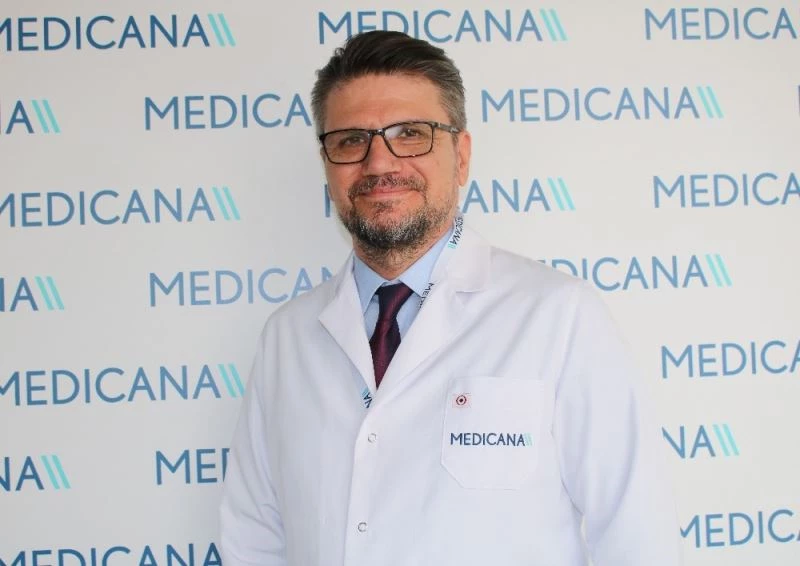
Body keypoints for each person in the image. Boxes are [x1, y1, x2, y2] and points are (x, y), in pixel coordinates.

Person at [220, 30, 682, 566]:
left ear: (461, 157)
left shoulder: (559, 316)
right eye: (350, 140)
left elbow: (636, 536)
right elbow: (254, 538)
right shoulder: (288, 337)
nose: (378, 163)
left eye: (410, 134)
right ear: (327, 163)